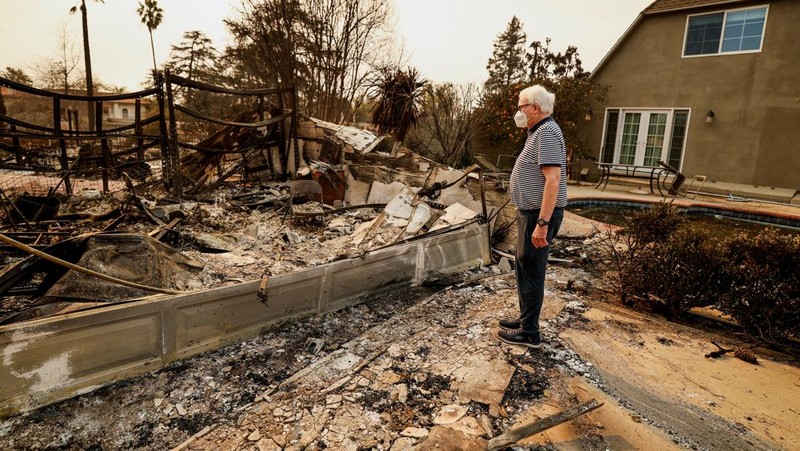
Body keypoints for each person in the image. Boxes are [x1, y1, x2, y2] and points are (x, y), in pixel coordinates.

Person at [498, 85, 568, 349]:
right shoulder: (537, 132)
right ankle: (525, 320)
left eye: (520, 106)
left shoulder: (547, 132)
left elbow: (553, 179)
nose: (518, 111)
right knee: (524, 268)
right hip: (529, 213)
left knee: (533, 271)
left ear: (535, 108)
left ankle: (530, 333)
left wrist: (542, 223)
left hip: (539, 217)